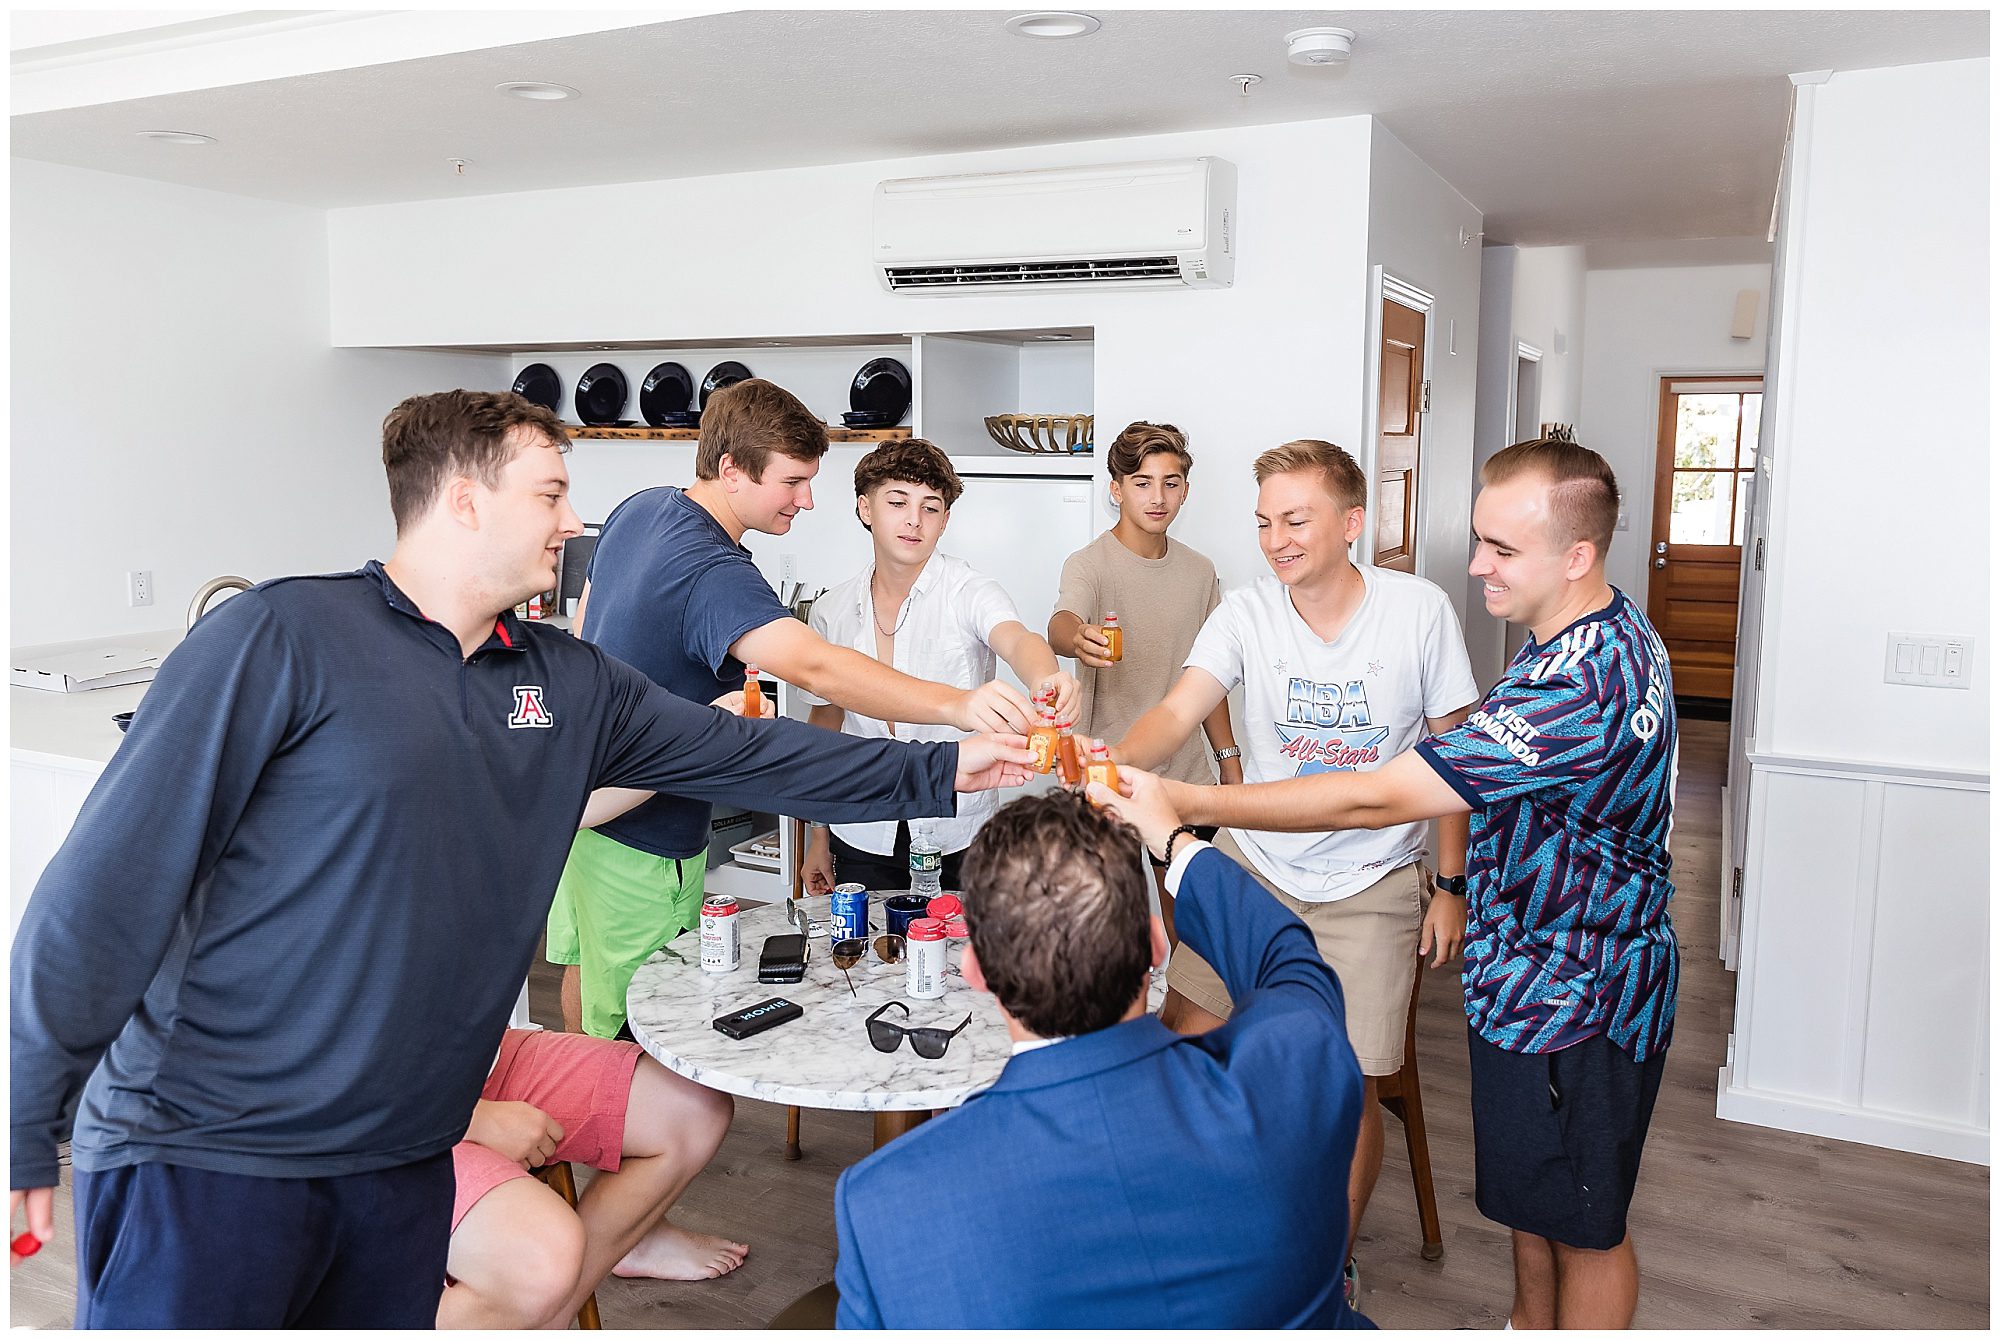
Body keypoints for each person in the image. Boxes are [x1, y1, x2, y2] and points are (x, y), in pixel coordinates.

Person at [7, 389, 1032, 1328]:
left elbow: (749, 749)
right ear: (462, 500)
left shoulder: (567, 682)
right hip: (212, 1151)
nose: (572, 520)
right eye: (548, 493)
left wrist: (944, 769)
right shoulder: (280, 637)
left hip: (399, 1154)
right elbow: (102, 892)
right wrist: (25, 1115)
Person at [1152, 437, 1680, 1330]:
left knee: (1587, 1228)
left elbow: (1372, 797)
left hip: (1585, 998)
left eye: (1502, 550)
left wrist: (1184, 800)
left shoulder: (1582, 683)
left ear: (1578, 556)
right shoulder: (1578, 639)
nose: (1477, 565)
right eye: (1480, 541)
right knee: (1533, 1209)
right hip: (1524, 989)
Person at [554, 379, 1038, 1039]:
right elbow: (815, 667)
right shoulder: (713, 569)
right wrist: (961, 705)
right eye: (792, 482)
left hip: (579, 808)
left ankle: (580, 1127)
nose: (807, 500)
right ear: (731, 471)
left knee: (585, 983)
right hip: (643, 837)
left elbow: (584, 634)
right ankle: (621, 1130)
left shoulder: (642, 509)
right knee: (639, 1026)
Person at [1112, 438, 1479, 1292]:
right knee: (1191, 1046)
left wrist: (1450, 886)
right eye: (1265, 522)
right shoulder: (1246, 613)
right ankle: (1207, 1232)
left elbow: (1457, 759)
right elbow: (1177, 712)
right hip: (1253, 867)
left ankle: (1324, 1269)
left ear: (1352, 523)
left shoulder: (1418, 612)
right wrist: (1116, 768)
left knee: (1343, 1090)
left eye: (1296, 519)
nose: (1276, 538)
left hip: (1372, 881)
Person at [833, 780, 1372, 1329]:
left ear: (976, 971)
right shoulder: (1292, 1074)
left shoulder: (882, 1206)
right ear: (1156, 946)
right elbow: (1287, 957)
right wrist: (1174, 840)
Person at [800, 439, 1078, 894]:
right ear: (865, 508)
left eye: (931, 508)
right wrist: (817, 834)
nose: (914, 520)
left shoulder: (970, 590)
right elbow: (825, 727)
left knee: (962, 955)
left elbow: (1017, 638)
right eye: (897, 502)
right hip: (862, 826)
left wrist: (1048, 677)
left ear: (945, 521)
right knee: (868, 955)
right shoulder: (833, 608)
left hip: (958, 830)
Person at [1046, 420, 1241, 942]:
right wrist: (1079, 637)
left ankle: (1186, 1023)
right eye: (1141, 482)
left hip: (1183, 775)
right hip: (1102, 773)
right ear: (1116, 489)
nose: (1158, 497)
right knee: (1102, 924)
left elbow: (1211, 676)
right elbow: (1061, 624)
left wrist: (1230, 762)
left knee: (1189, 924)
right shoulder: (1089, 564)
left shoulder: (1201, 572)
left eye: (1170, 483)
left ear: (1185, 490)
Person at [440, 1029, 744, 1329]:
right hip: (404, 1122)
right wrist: (474, 1120)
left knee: (693, 1109)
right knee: (538, 1260)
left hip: (475, 1060)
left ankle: (550, 1318)